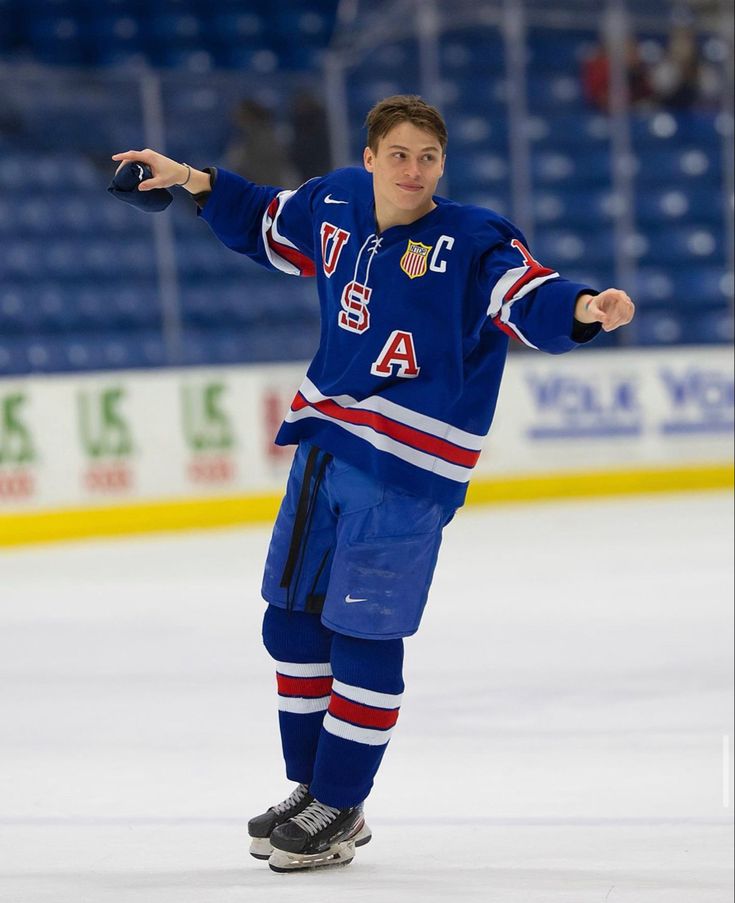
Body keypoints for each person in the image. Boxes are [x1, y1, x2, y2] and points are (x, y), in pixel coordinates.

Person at [111, 94, 635, 874]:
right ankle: (313, 789)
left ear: (442, 165)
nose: (413, 170)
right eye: (398, 154)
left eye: (428, 157)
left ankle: (342, 797)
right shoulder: (336, 202)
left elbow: (526, 296)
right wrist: (185, 177)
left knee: (363, 635)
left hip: (407, 470)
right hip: (325, 444)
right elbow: (261, 216)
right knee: (288, 624)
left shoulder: (472, 239)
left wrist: (586, 309)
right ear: (369, 158)